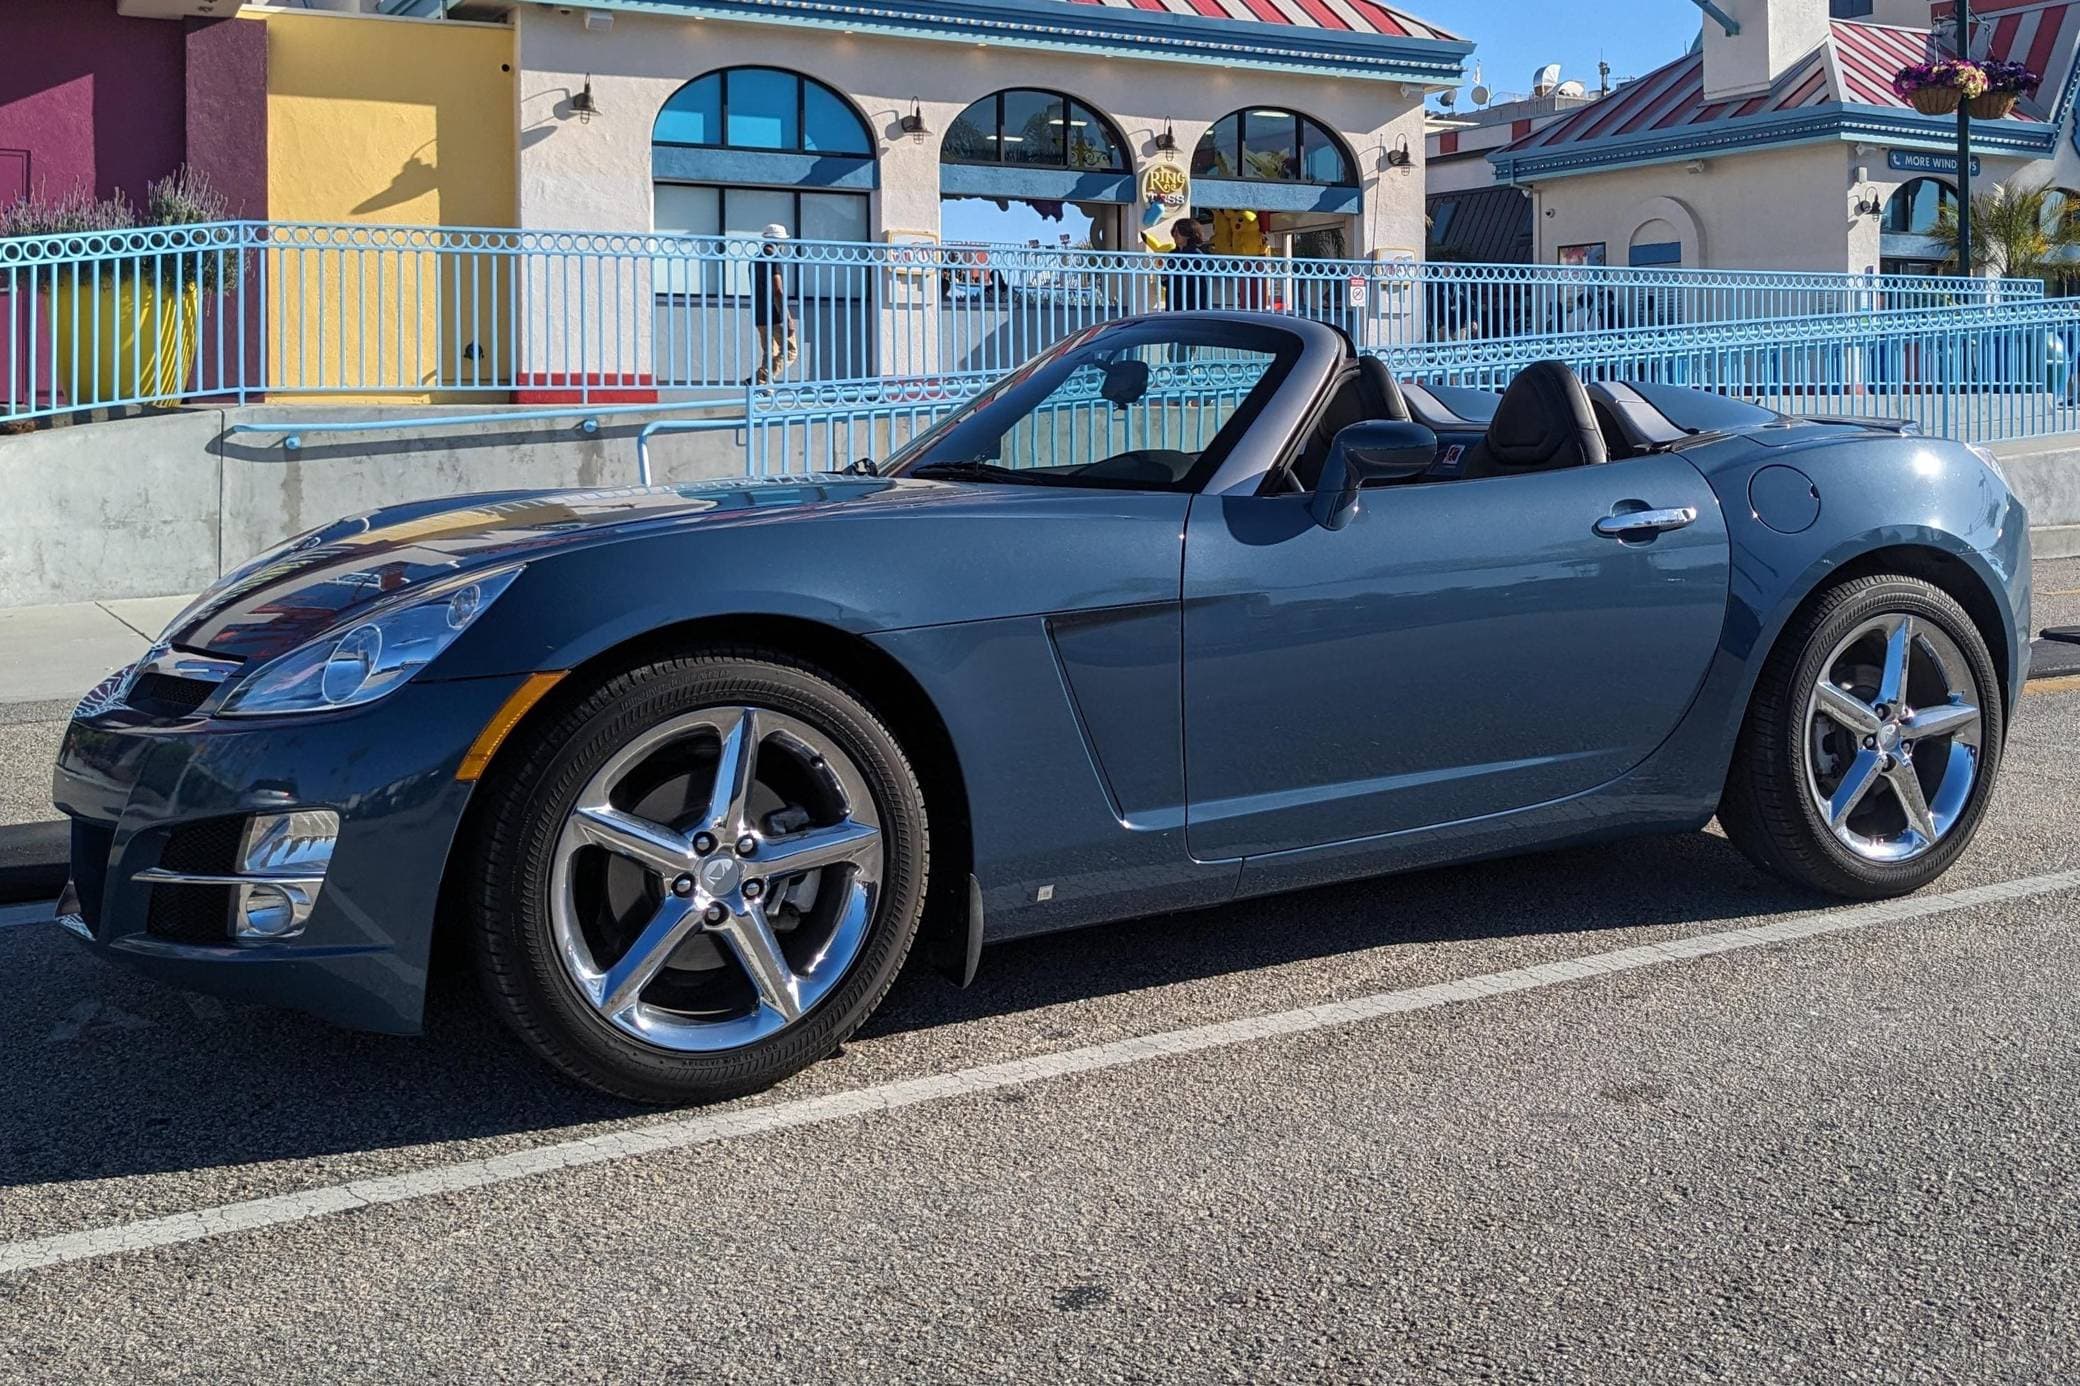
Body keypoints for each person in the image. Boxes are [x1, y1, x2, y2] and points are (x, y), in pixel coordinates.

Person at [748, 223, 799, 386]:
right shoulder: (773, 259)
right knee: (791, 351)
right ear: (779, 241)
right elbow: (777, 290)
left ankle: (763, 386)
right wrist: (788, 317)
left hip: (760, 314)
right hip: (775, 314)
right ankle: (760, 379)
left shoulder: (755, 259)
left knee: (770, 353)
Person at [1164, 217, 1209, 312]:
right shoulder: (1172, 254)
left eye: (1179, 231)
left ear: (1188, 234)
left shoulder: (1196, 255)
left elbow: (1201, 283)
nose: (1175, 235)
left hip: (1192, 304)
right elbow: (1165, 280)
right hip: (1173, 302)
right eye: (1174, 231)